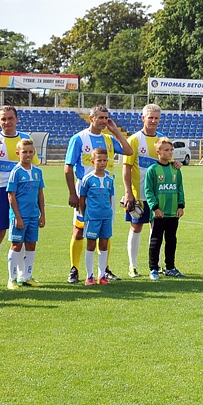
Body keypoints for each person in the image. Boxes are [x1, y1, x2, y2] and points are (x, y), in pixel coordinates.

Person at [65, 104, 132, 284]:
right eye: (100, 118)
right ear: (91, 119)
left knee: (105, 230)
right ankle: (75, 268)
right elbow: (68, 168)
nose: (103, 121)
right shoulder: (79, 138)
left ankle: (104, 270)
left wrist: (116, 132)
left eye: (106, 118)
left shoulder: (109, 140)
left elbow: (128, 151)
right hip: (85, 192)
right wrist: (73, 193)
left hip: (106, 190)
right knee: (80, 230)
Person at [0, 106, 38, 289]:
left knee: (21, 236)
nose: (7, 122)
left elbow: (34, 168)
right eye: (3, 119)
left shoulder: (24, 140)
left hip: (22, 194)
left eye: (10, 118)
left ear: (17, 119)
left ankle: (22, 276)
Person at [122, 104, 175, 278]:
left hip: (159, 195)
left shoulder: (162, 140)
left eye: (156, 118)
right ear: (143, 118)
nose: (153, 121)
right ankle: (133, 265)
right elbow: (127, 168)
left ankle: (156, 265)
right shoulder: (135, 140)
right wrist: (128, 192)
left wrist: (176, 163)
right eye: (150, 117)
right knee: (136, 227)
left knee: (157, 230)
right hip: (139, 194)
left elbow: (169, 162)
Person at [145, 138, 185, 280]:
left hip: (173, 212)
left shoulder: (175, 169)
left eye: (171, 150)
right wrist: (155, 208)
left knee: (171, 240)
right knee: (155, 240)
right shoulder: (153, 170)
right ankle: (153, 269)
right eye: (166, 150)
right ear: (158, 152)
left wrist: (180, 206)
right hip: (159, 213)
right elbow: (148, 191)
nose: (170, 153)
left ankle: (170, 267)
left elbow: (180, 188)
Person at [6, 139, 45, 288]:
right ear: (18, 153)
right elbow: (11, 196)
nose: (28, 155)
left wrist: (42, 215)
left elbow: (40, 194)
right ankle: (12, 278)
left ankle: (27, 276)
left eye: (30, 152)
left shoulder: (37, 172)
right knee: (16, 245)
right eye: (24, 152)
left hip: (33, 215)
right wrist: (17, 217)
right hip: (19, 216)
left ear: (34, 153)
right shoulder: (15, 172)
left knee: (31, 244)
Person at [78, 147, 115, 285]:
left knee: (104, 244)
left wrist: (109, 212)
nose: (102, 163)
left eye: (105, 160)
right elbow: (82, 199)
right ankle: (89, 276)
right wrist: (85, 213)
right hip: (92, 217)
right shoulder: (87, 179)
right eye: (99, 160)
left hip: (106, 216)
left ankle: (102, 276)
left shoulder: (109, 180)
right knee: (91, 244)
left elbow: (109, 199)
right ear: (93, 161)